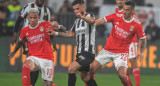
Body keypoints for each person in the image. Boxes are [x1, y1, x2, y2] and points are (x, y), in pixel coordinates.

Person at [90, 1, 146, 86]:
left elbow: (143, 38)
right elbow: (100, 21)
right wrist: (88, 23)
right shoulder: (116, 15)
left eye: (127, 10)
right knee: (91, 69)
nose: (124, 12)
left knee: (122, 75)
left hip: (121, 53)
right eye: (124, 9)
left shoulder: (137, 24)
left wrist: (141, 52)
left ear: (132, 11)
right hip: (107, 50)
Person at [47, 0, 97, 86]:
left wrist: (82, 17)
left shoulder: (90, 16)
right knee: (85, 77)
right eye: (74, 9)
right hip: (80, 53)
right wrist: (55, 33)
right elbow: (71, 34)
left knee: (71, 68)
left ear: (83, 7)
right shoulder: (77, 22)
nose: (76, 11)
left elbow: (92, 21)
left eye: (77, 8)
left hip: (88, 52)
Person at [11, 0, 57, 86]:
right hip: (28, 38)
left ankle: (38, 81)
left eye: (34, 18)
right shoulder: (28, 6)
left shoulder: (47, 10)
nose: (32, 20)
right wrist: (15, 33)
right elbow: (19, 19)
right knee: (29, 61)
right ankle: (31, 83)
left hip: (42, 39)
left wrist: (52, 39)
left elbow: (49, 28)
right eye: (30, 18)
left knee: (47, 83)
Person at [115, 0, 142, 86]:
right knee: (123, 65)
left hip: (130, 40)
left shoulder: (129, 11)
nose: (119, 1)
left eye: (122, 0)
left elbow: (135, 23)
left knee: (133, 62)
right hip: (120, 42)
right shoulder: (116, 10)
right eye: (118, 0)